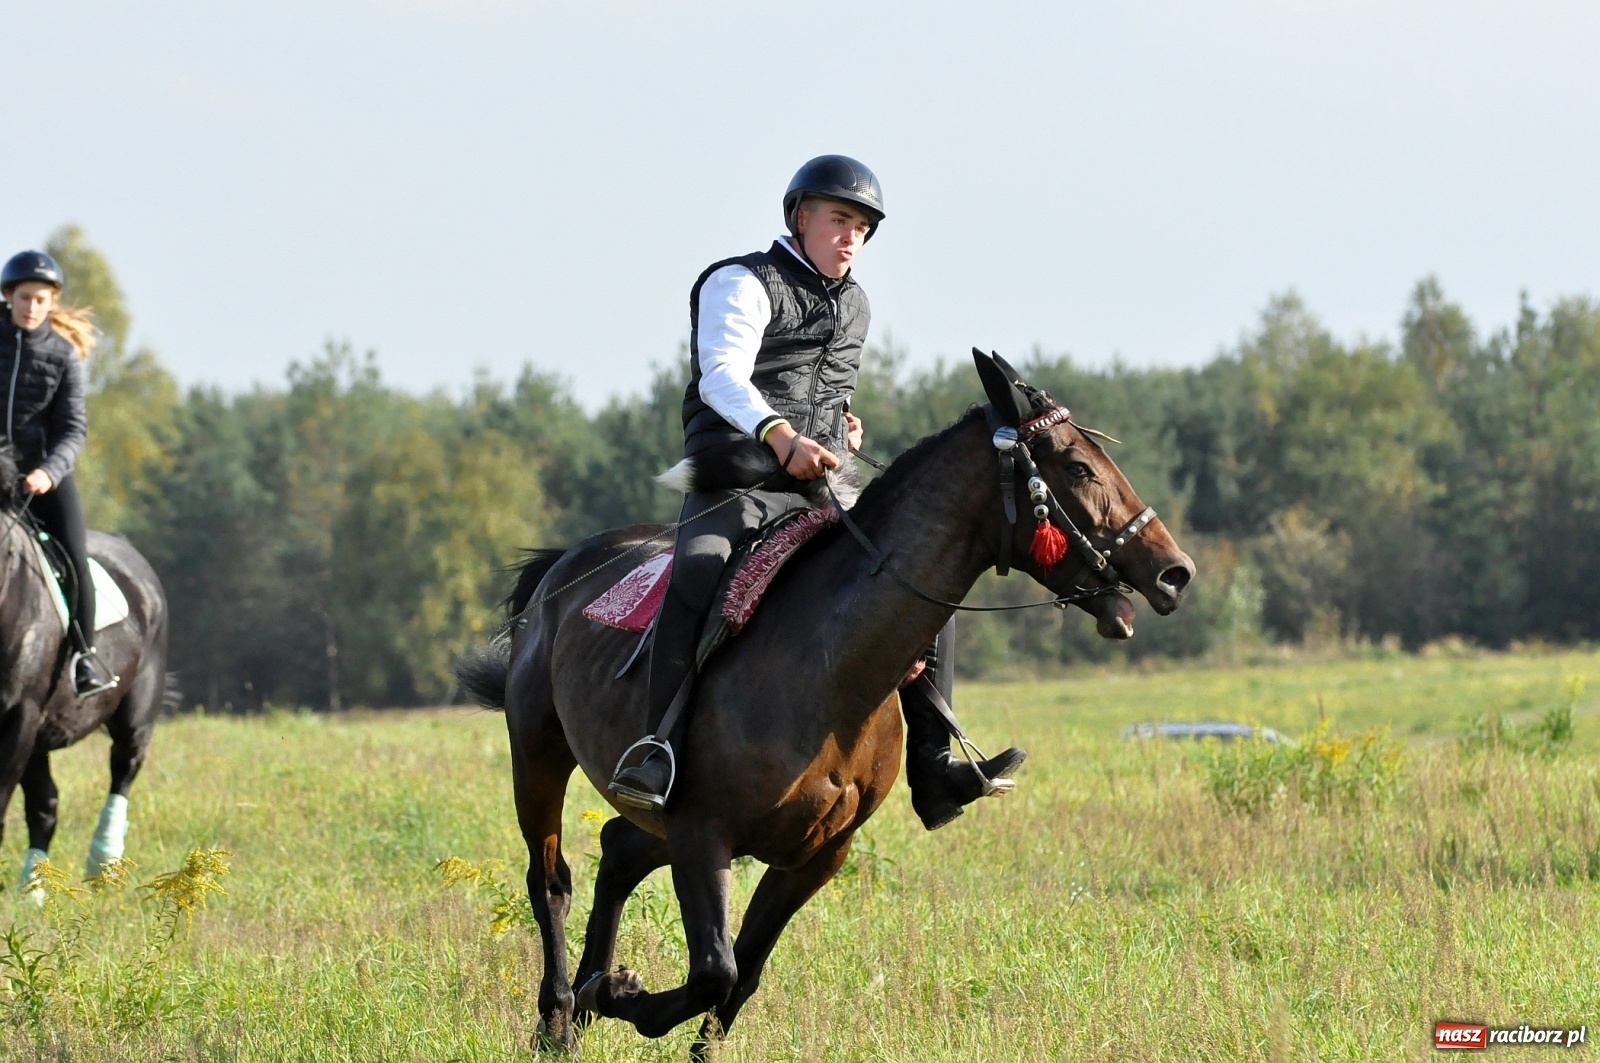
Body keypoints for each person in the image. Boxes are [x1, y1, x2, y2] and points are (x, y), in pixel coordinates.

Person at [608, 156, 1024, 827]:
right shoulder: (741, 281)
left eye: (862, 225)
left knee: (919, 583)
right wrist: (780, 434)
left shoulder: (856, 302)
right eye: (839, 219)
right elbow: (721, 375)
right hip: (738, 485)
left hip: (821, 493)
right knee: (697, 571)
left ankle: (934, 766)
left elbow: (825, 386)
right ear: (800, 217)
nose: (851, 236)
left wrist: (841, 424)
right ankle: (657, 749)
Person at [0, 250, 116, 697]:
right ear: (9, 296)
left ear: (52, 304)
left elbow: (72, 428)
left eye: (42, 300)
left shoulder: (63, 356)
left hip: (38, 476)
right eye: (25, 297)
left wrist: (49, 471)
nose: (32, 307)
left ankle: (85, 658)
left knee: (73, 555)